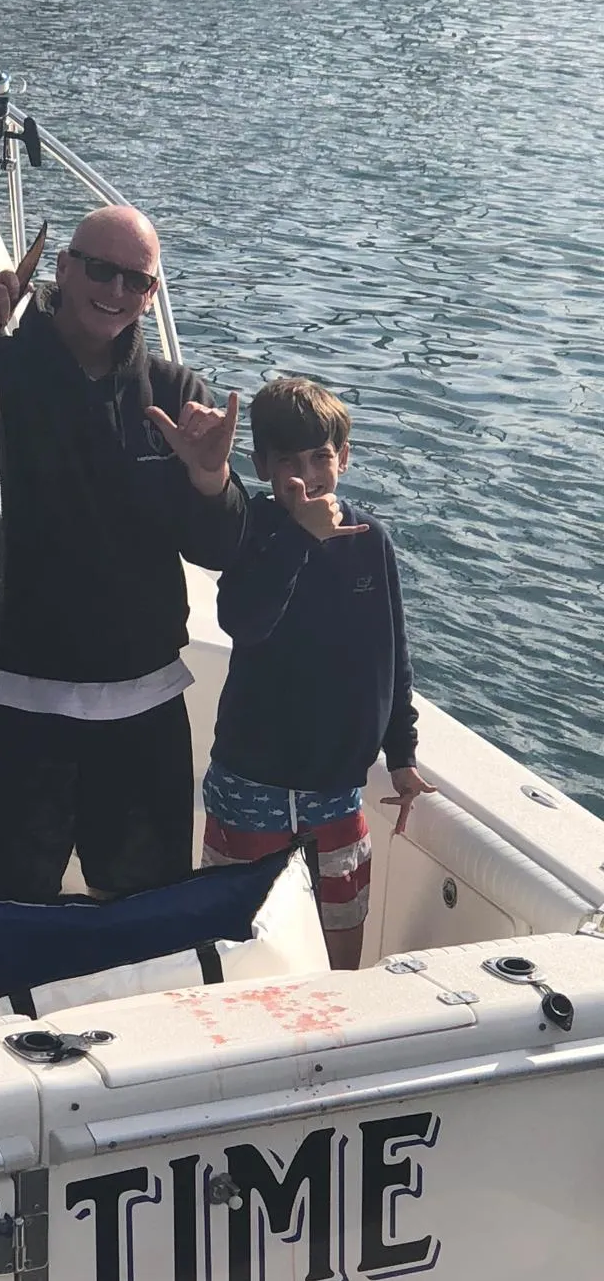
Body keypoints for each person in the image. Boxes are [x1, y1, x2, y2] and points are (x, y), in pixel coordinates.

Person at [0, 205, 247, 904]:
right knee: (0, 906)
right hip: (14, 705)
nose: (115, 291)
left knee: (148, 913)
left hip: (143, 715)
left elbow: (222, 545)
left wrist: (210, 477)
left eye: (136, 280)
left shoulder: (176, 396)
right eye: (100, 269)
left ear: (152, 294)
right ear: (63, 268)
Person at [198, 377, 435, 970]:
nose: (307, 476)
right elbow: (244, 621)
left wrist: (401, 754)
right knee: (238, 952)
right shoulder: (253, 528)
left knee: (338, 958)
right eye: (289, 462)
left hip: (337, 793)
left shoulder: (370, 542)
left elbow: (391, 652)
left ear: (344, 458)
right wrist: (300, 538)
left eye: (321, 458)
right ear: (261, 467)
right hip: (251, 788)